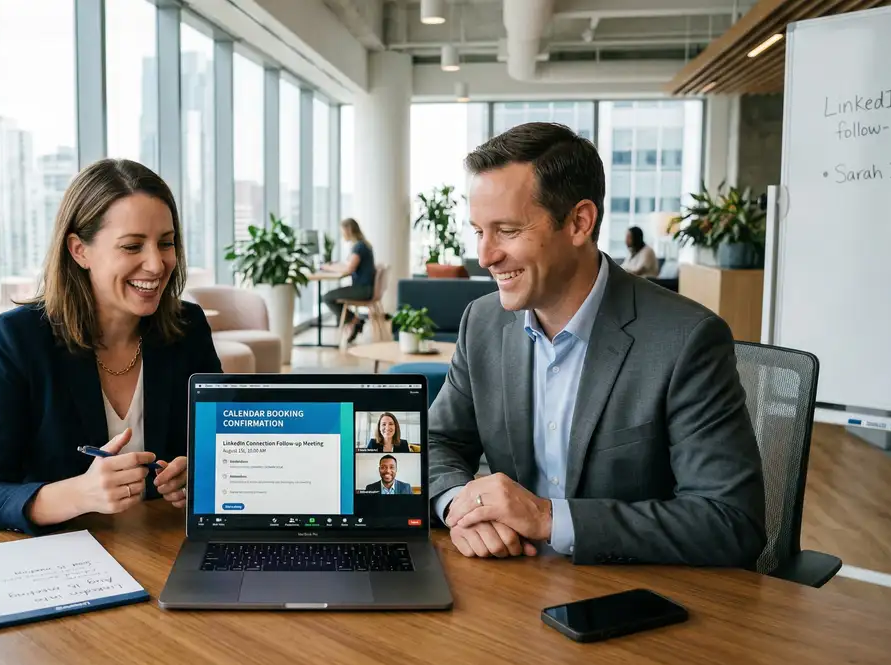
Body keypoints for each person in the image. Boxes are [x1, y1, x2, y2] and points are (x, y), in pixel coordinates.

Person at [428, 122, 765, 566]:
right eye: (478, 231)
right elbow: (432, 444)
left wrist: (548, 518)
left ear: (579, 222)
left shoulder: (686, 340)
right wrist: (459, 506)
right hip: (511, 584)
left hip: (629, 598)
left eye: (506, 231)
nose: (485, 255)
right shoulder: (483, 323)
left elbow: (730, 521)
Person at [0, 158, 222, 535]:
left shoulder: (187, 327)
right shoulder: (17, 339)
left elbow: (223, 454)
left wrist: (197, 476)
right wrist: (79, 493)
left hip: (157, 545)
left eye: (166, 243)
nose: (156, 264)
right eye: (132, 246)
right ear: (79, 250)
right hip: (59, 561)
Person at [320, 218, 376, 342]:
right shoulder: (362, 245)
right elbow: (348, 266)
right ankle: (354, 321)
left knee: (327, 297)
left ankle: (354, 320)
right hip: (365, 288)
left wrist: (328, 267)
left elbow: (349, 269)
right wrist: (332, 267)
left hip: (363, 290)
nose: (342, 234)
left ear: (348, 230)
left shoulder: (359, 247)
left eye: (342, 231)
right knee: (330, 296)